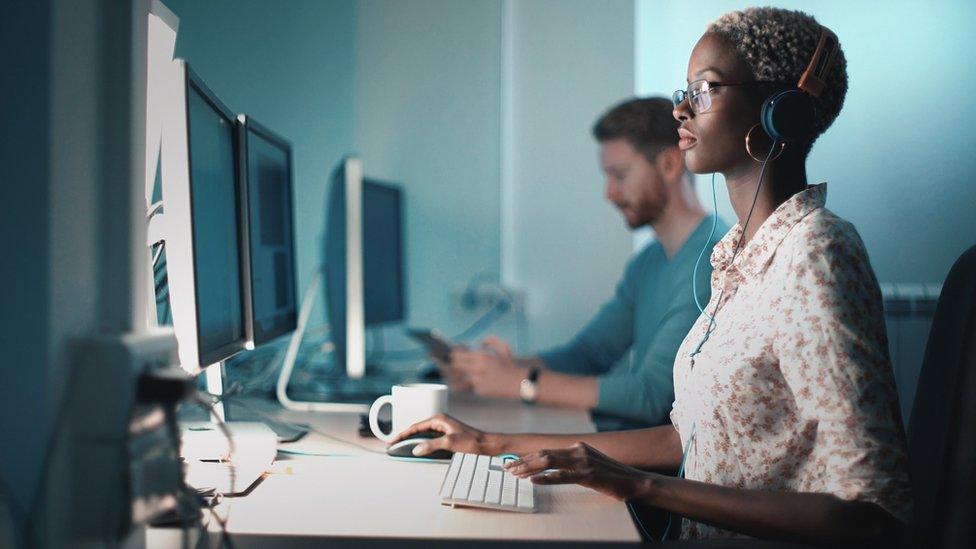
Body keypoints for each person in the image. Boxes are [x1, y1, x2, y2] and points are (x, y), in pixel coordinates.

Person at [395, 7, 912, 543]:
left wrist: (640, 487)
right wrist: (487, 442)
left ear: (778, 111)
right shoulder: (739, 256)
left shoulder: (816, 252)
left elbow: (874, 512)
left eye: (706, 90)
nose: (682, 109)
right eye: (683, 91)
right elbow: (686, 438)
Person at [441, 97, 728, 429]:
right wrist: (494, 371)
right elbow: (589, 355)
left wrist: (522, 382)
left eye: (619, 175)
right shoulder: (649, 262)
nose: (609, 193)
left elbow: (653, 396)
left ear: (669, 164)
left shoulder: (712, 259)